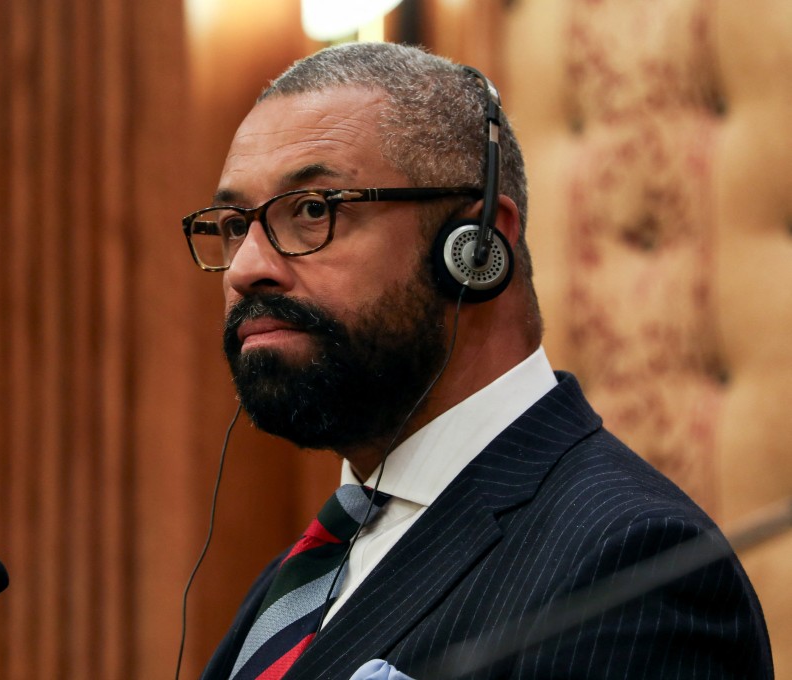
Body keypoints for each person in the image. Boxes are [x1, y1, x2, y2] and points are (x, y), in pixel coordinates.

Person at [181, 42, 772, 679]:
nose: (245, 269)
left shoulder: (632, 567)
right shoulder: (298, 578)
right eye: (236, 224)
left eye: (314, 211)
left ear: (476, 245)